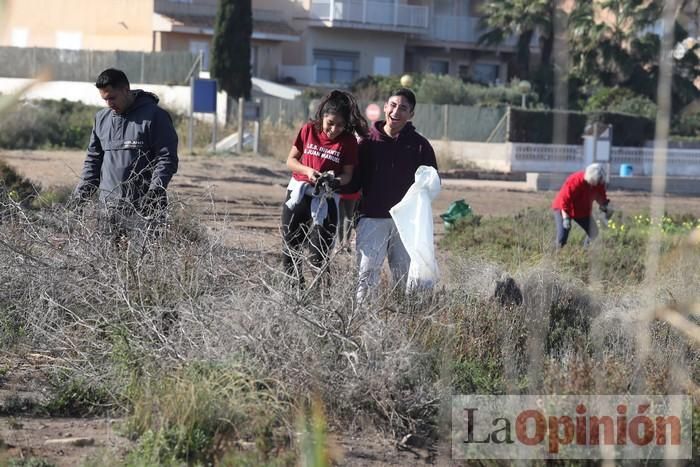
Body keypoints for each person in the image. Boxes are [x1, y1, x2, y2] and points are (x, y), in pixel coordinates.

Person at [353, 88, 438, 302]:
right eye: (393, 105)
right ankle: (361, 323)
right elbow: (353, 180)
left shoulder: (420, 146)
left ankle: (402, 321)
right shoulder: (367, 142)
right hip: (371, 218)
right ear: (385, 107)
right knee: (366, 274)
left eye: (403, 108)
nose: (396, 111)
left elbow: (433, 182)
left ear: (411, 114)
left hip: (406, 225)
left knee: (404, 277)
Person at [73, 68, 179, 233]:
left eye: (112, 98)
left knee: (143, 259)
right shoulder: (101, 119)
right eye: (105, 99)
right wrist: (80, 195)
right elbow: (93, 161)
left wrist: (156, 190)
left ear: (125, 89)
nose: (109, 104)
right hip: (107, 210)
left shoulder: (155, 116)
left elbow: (166, 158)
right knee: (104, 258)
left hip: (144, 209)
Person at [282, 90, 369, 285]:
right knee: (290, 248)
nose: (334, 129)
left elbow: (347, 175)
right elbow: (291, 160)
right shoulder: (308, 130)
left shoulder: (348, 141)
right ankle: (295, 293)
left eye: (340, 125)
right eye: (330, 123)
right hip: (300, 192)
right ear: (322, 117)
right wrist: (308, 171)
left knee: (318, 255)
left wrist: (335, 180)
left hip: (327, 197)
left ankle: (323, 300)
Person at [552, 163, 611, 248]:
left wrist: (604, 206)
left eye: (600, 180)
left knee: (594, 232)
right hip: (564, 208)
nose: (599, 182)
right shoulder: (575, 181)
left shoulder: (599, 182)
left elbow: (601, 195)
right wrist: (566, 218)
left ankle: (585, 253)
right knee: (563, 235)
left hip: (582, 210)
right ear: (591, 178)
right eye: (597, 181)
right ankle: (556, 254)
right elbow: (564, 201)